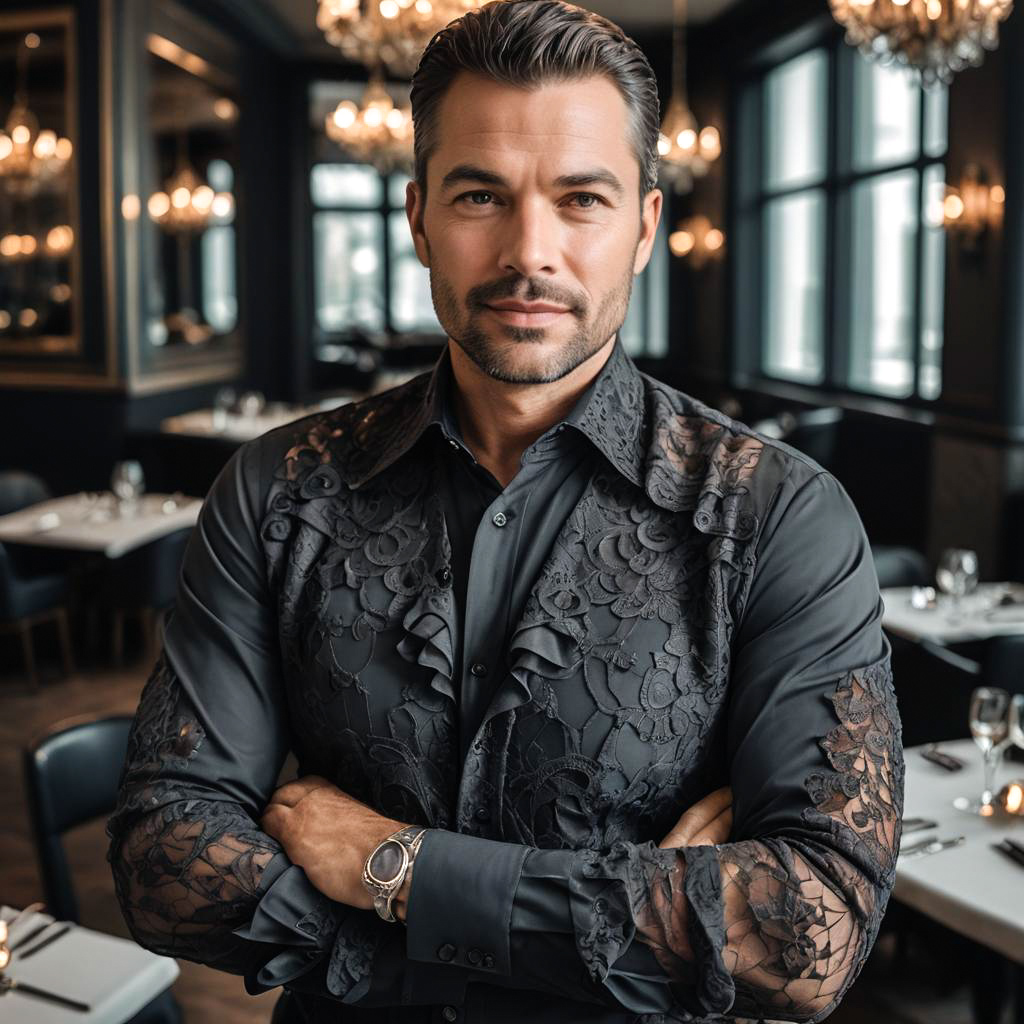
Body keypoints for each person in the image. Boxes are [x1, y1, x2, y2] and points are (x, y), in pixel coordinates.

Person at [106, 2, 904, 1022]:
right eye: (481, 194)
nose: (531, 252)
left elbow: (809, 930)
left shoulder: (777, 515)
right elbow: (163, 858)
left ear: (644, 226)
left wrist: (395, 870)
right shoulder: (278, 490)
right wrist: (632, 924)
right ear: (418, 218)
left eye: (581, 199)